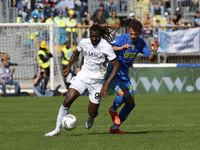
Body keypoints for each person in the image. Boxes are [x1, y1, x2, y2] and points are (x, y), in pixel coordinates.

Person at [44, 24, 120, 136]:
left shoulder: (106, 46)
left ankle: (91, 117)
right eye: (92, 36)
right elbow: (76, 53)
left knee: (92, 112)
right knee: (67, 100)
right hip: (83, 76)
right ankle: (57, 129)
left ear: (100, 35)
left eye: (96, 37)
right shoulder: (84, 42)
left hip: (97, 82)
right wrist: (69, 66)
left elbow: (116, 65)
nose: (94, 39)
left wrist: (106, 85)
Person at [106, 19, 160, 133]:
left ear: (140, 33)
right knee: (124, 96)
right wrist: (120, 48)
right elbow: (107, 48)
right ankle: (113, 109)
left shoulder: (140, 43)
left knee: (131, 104)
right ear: (128, 31)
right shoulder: (121, 39)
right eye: (131, 34)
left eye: (136, 34)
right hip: (113, 73)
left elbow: (150, 58)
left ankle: (114, 128)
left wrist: (154, 51)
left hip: (124, 75)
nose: (133, 36)